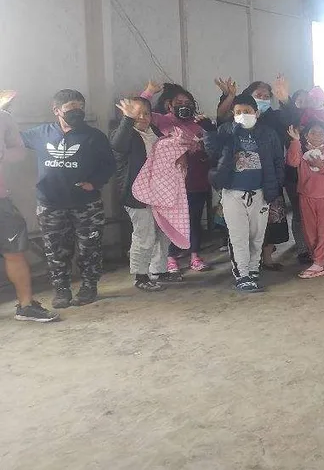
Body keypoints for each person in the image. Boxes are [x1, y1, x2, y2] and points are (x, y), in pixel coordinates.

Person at [22, 89, 115, 308]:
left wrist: (94, 182)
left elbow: (109, 164)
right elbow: (11, 139)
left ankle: (89, 286)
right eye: (71, 108)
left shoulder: (94, 136)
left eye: (81, 107)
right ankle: (61, 290)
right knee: (55, 250)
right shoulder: (41, 133)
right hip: (50, 204)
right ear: (56, 110)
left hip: (86, 204)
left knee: (89, 248)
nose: (77, 112)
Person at [205, 94, 284, 293]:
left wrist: (275, 187)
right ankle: (242, 274)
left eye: (247, 111)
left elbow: (278, 161)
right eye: (238, 112)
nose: (242, 115)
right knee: (238, 235)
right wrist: (209, 131)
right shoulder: (226, 130)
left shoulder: (268, 134)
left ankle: (253, 268)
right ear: (233, 114)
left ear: (256, 113)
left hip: (260, 192)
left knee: (257, 235)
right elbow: (212, 152)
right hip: (233, 192)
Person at [140, 81, 215, 273]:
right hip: (171, 184)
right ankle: (171, 257)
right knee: (172, 221)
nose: (184, 106)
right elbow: (139, 112)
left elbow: (212, 146)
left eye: (187, 103)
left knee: (194, 220)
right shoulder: (162, 120)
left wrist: (204, 138)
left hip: (196, 180)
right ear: (169, 105)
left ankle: (195, 256)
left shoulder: (198, 123)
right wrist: (148, 93)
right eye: (179, 102)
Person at [0, 92, 58, 321]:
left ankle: (25, 305)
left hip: (1, 200)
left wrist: (3, 154)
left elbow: (19, 151)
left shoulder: (4, 118)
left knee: (15, 252)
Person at [111, 97, 171, 292]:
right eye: (136, 114)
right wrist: (127, 120)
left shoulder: (156, 134)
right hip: (136, 195)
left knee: (163, 232)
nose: (142, 118)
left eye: (146, 113)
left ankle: (159, 270)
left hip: (160, 193)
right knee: (144, 234)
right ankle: (140, 275)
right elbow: (118, 145)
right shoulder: (126, 135)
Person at [286, 122, 324, 279]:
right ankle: (320, 260)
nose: (317, 136)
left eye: (321, 133)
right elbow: (292, 162)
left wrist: (321, 166)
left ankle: (319, 262)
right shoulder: (301, 151)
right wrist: (295, 141)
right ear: (306, 135)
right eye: (313, 133)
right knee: (309, 231)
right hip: (307, 195)